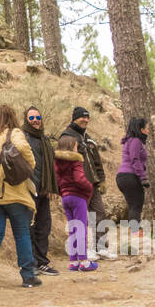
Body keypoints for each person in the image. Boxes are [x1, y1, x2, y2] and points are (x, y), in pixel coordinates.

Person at [0, 105, 40, 288]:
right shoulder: (14, 133)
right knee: (21, 233)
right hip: (13, 192)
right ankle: (28, 276)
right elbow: (24, 152)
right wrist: (29, 165)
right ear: (12, 117)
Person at [63, 107, 113, 258]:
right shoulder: (67, 137)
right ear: (74, 118)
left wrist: (102, 180)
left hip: (93, 185)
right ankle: (81, 251)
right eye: (82, 117)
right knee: (80, 219)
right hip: (78, 185)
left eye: (87, 117)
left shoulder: (87, 137)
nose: (85, 120)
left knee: (99, 215)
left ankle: (100, 247)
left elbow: (97, 162)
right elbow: (64, 163)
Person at [22, 106, 61, 276]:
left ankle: (42, 263)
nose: (36, 120)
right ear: (26, 120)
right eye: (32, 118)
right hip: (28, 190)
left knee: (44, 227)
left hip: (44, 190)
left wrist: (51, 187)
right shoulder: (23, 138)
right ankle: (31, 264)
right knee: (28, 228)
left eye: (38, 117)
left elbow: (51, 166)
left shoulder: (45, 140)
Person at [55, 134, 98, 271]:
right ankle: (84, 261)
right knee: (81, 229)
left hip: (65, 198)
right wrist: (89, 186)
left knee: (73, 229)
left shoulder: (56, 163)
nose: (77, 149)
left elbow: (56, 181)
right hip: (78, 197)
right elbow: (79, 179)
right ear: (70, 147)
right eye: (75, 146)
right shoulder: (76, 161)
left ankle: (73, 261)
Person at [115, 117, 150, 252]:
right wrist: (143, 178)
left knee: (133, 207)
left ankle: (134, 236)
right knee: (136, 206)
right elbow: (135, 160)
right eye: (146, 128)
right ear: (141, 129)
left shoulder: (130, 141)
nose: (148, 131)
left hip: (123, 177)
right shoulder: (135, 141)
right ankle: (136, 238)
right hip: (130, 176)